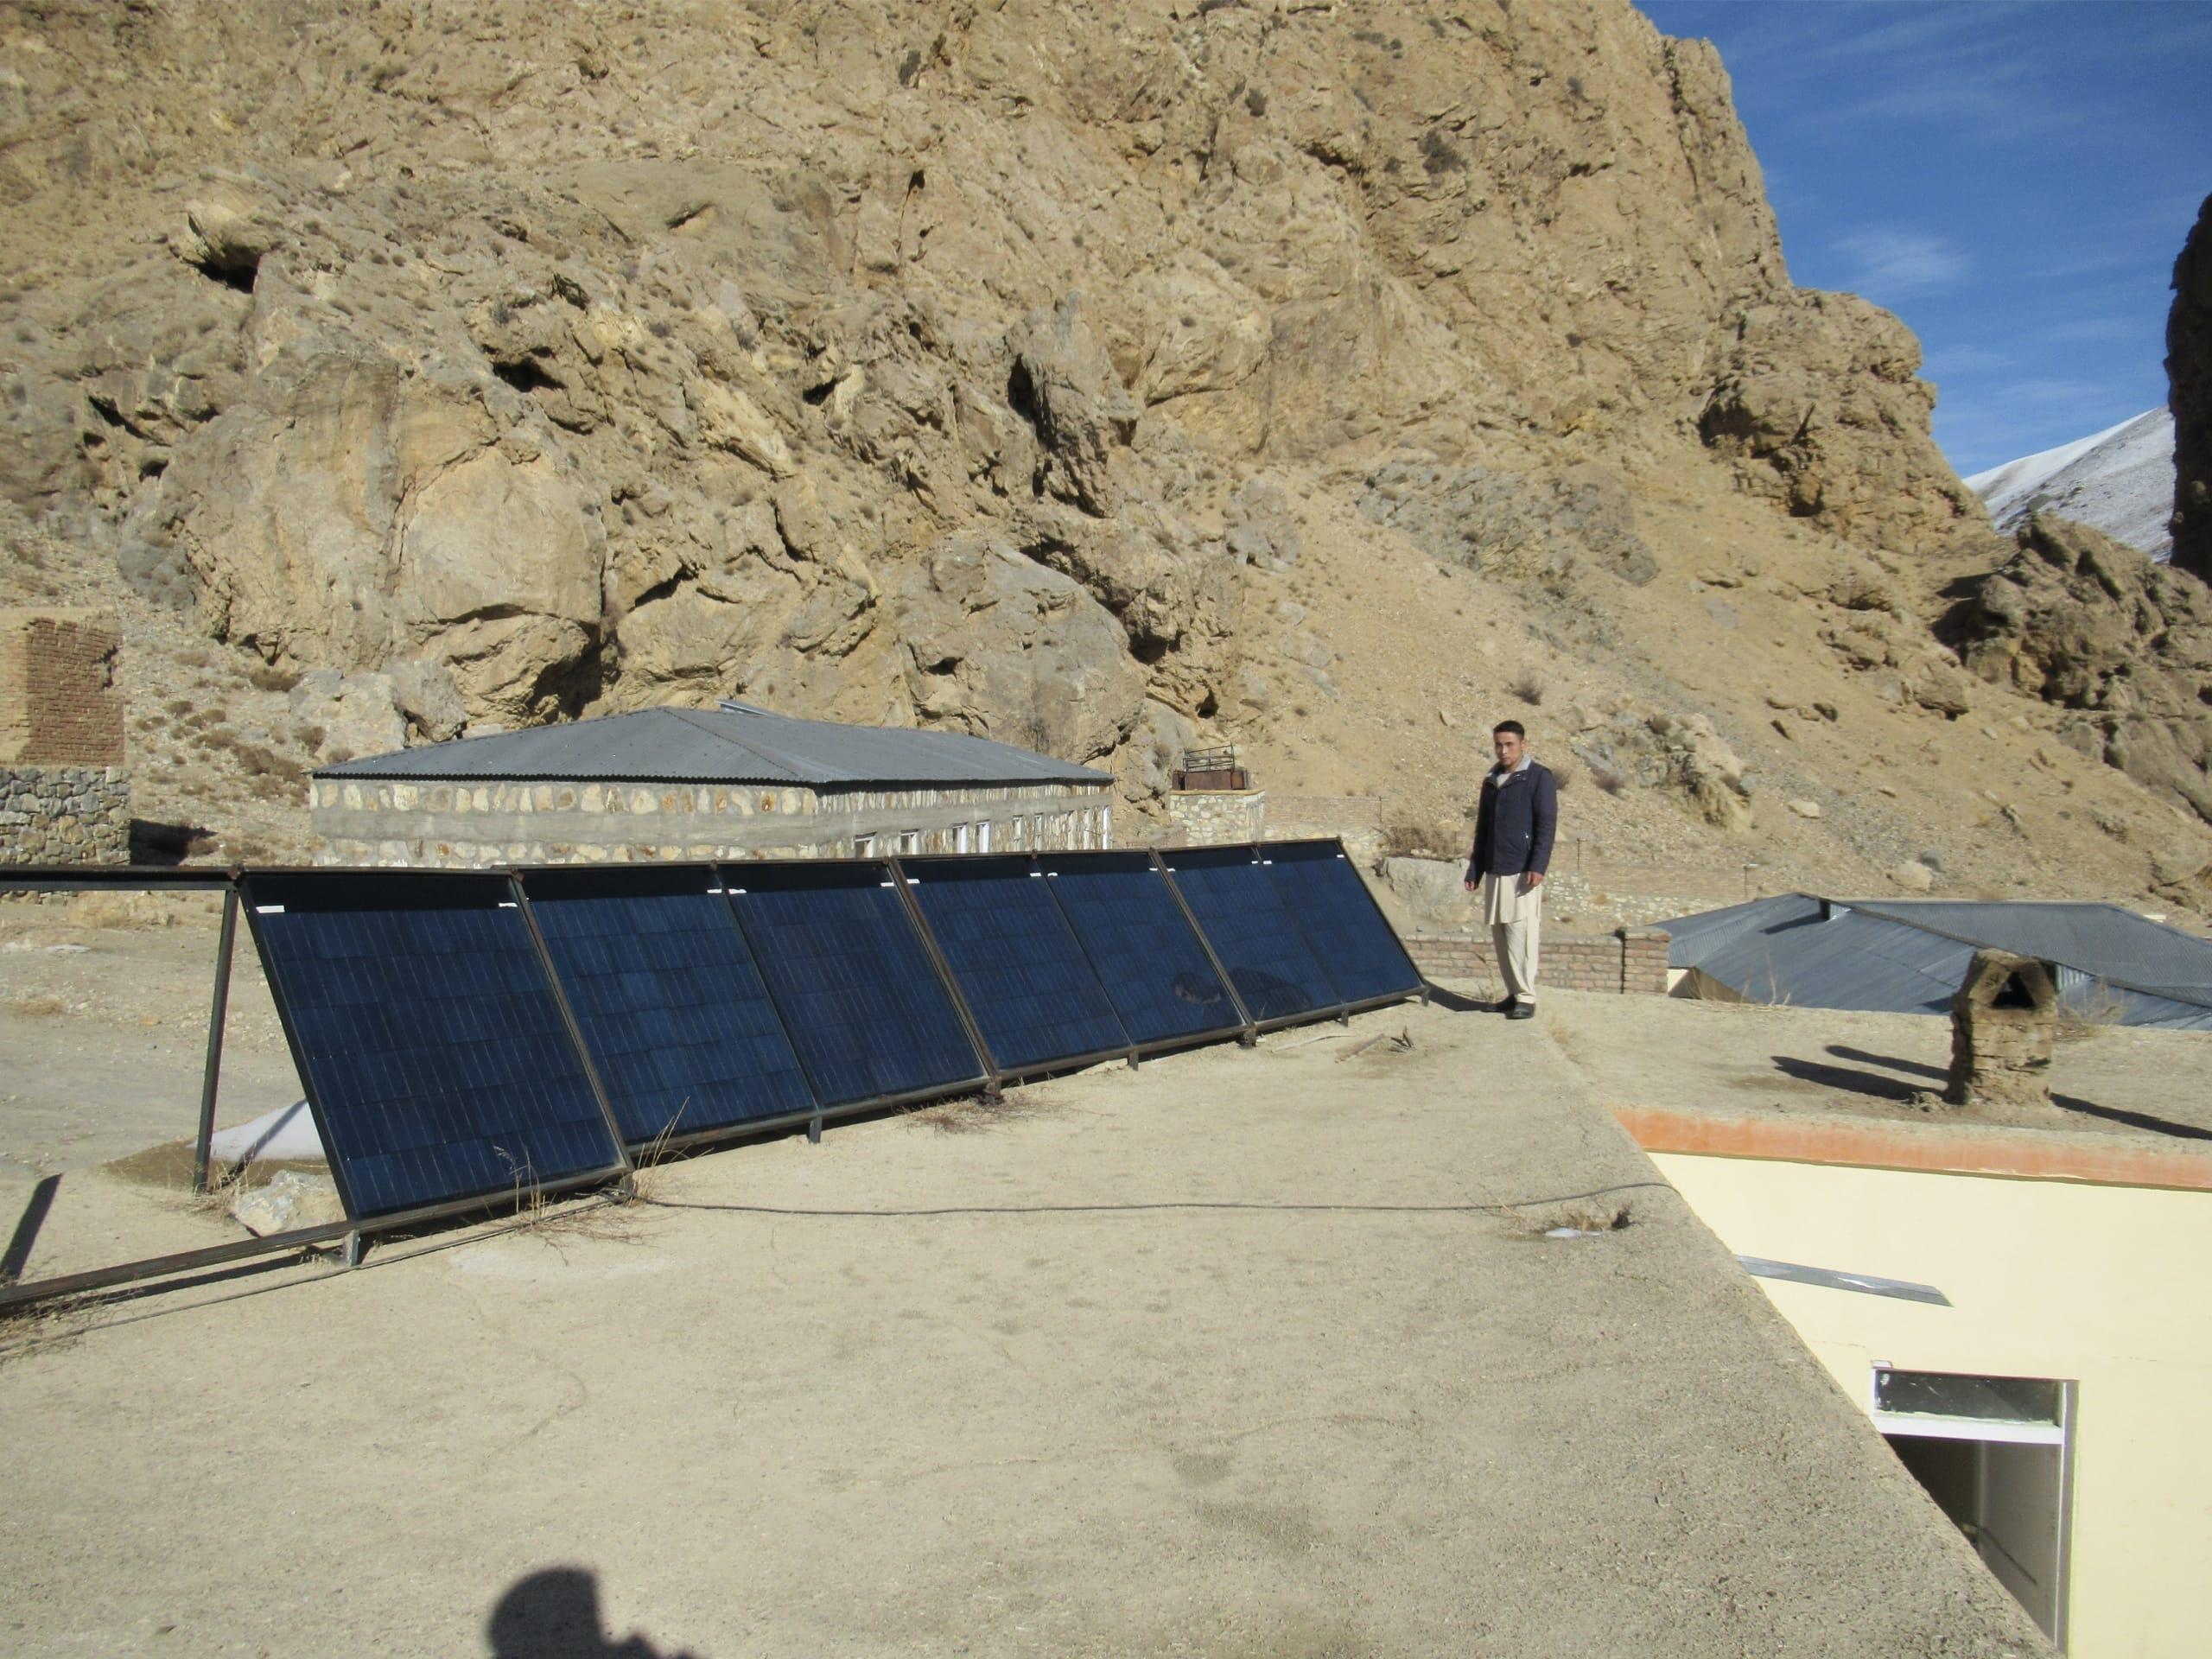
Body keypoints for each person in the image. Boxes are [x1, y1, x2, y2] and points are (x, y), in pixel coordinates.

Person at [1463, 720, 1557, 1019]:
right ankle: (1514, 992)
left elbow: (1546, 826)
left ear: (1523, 745)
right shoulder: (1492, 780)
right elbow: (1483, 829)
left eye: (1509, 745)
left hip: (1522, 870)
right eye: (1498, 745)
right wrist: (1474, 869)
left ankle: (1527, 997)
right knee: (1501, 934)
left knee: (1521, 933)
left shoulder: (1538, 778)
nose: (1503, 750)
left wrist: (1538, 864)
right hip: (1495, 868)